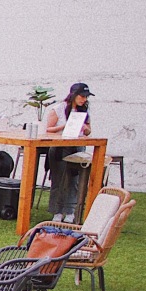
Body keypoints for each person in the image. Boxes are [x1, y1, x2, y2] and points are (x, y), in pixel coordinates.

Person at [45, 82, 96, 221]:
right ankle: (57, 210)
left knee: (74, 180)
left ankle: (70, 210)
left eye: (86, 97)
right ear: (73, 95)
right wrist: (64, 126)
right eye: (82, 96)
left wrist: (85, 128)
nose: (84, 99)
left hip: (77, 147)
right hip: (59, 148)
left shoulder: (84, 111)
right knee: (59, 179)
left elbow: (88, 131)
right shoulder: (59, 109)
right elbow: (48, 129)